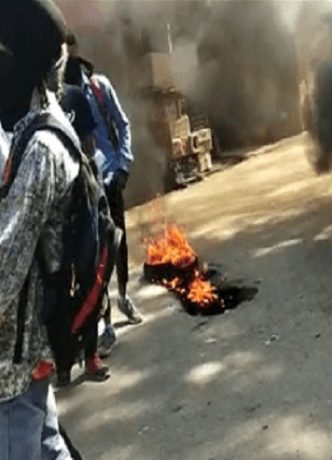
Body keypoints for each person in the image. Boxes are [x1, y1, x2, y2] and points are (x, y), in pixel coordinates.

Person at [0, 0, 78, 456]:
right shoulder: (40, 126)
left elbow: (3, 275)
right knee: (49, 448)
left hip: (14, 366)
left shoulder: (40, 150)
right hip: (29, 351)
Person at [65, 35, 143, 359]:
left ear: (74, 51)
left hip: (109, 179)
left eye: (68, 51)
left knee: (118, 245)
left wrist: (123, 164)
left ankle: (123, 296)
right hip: (81, 186)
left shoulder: (99, 87)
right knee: (93, 256)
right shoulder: (58, 96)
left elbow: (122, 124)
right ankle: (105, 323)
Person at [56, 43, 109, 386]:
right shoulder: (28, 109)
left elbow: (89, 144)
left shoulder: (74, 98)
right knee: (58, 284)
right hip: (54, 213)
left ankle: (90, 356)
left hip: (83, 201)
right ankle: (63, 364)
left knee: (91, 278)